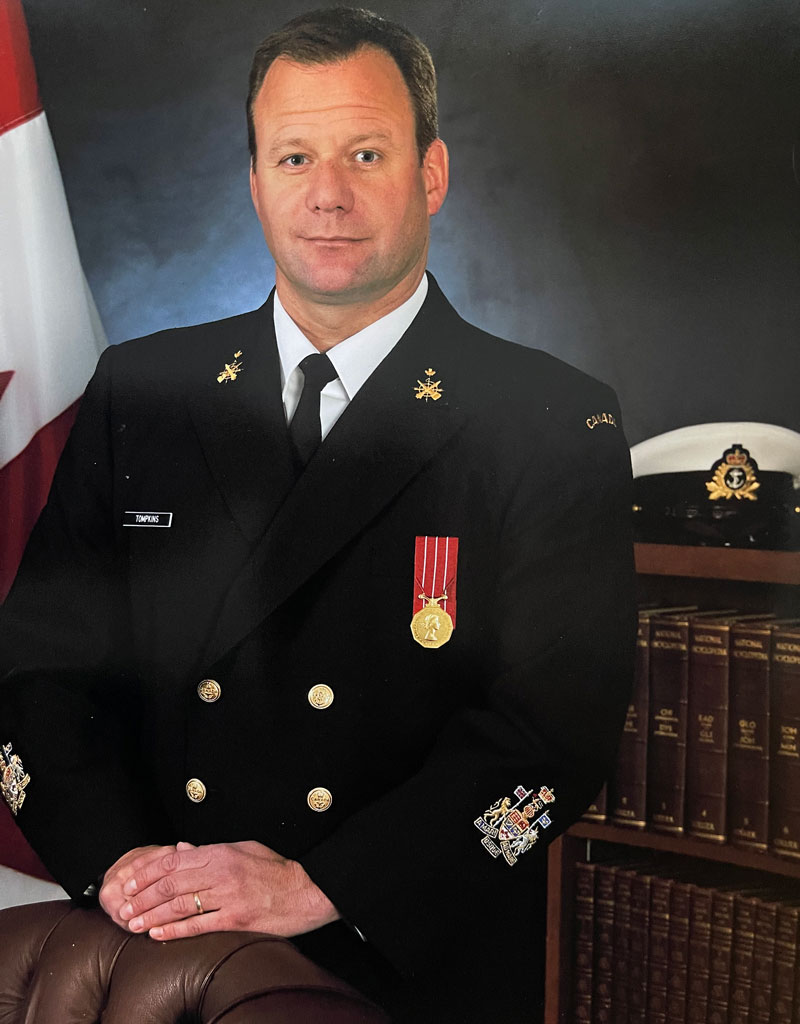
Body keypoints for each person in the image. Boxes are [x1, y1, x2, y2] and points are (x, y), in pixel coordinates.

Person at [0, 8, 636, 1020]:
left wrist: (320, 885)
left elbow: (552, 747)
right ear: (253, 182)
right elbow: (33, 669)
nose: (327, 194)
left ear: (430, 174)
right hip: (149, 956)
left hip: (404, 964)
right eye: (293, 156)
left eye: (365, 153)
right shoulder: (142, 392)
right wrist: (118, 865)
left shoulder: (552, 417)